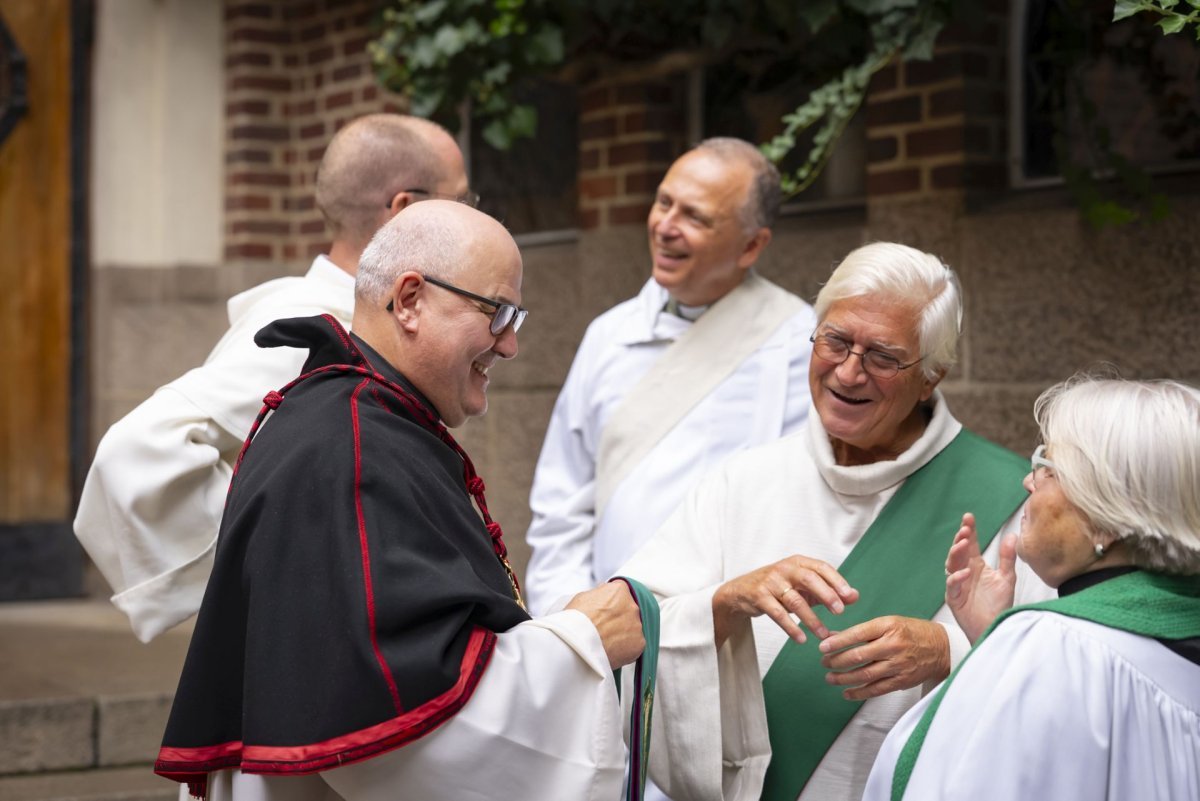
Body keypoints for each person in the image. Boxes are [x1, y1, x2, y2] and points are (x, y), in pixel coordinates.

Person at [154, 200, 647, 801]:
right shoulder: (351, 450)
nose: (511, 345)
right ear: (410, 299)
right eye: (498, 313)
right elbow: (399, 720)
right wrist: (582, 641)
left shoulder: (349, 420)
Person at [616, 241, 1055, 801]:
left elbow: (1067, 675)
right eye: (836, 341)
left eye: (884, 357)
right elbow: (634, 632)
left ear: (933, 376)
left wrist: (949, 651)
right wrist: (725, 604)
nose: (849, 372)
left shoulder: (1012, 501)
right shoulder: (742, 482)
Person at [74, 113, 475, 643]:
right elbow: (136, 452)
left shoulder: (366, 324)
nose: (474, 219)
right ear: (404, 210)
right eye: (463, 203)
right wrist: (305, 554)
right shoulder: (314, 330)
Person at [865, 376, 1200, 800]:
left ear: (1106, 518)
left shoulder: (1053, 648)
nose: (1029, 482)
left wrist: (1014, 652)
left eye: (1048, 467)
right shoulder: (1178, 641)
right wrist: (991, 646)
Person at [524, 137, 817, 617]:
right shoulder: (609, 335)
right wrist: (570, 619)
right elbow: (562, 503)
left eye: (695, 217)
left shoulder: (798, 343)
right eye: (663, 203)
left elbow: (800, 512)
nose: (665, 227)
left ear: (751, 246)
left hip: (727, 635)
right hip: (604, 634)